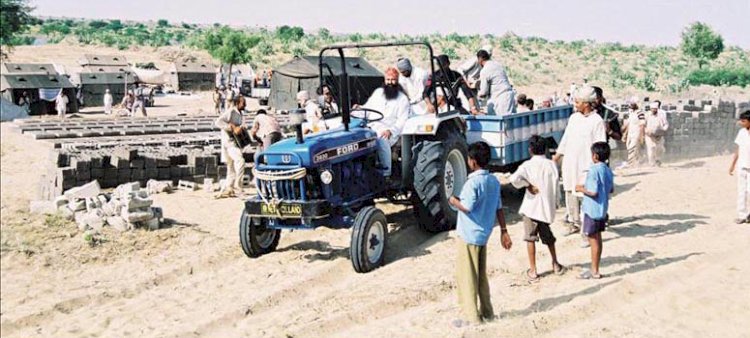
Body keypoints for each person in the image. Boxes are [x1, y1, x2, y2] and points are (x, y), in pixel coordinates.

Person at [448, 141, 512, 326]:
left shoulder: (472, 183)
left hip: (468, 235)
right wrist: (504, 231)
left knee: (467, 277)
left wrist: (453, 201)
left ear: (472, 161)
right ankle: (487, 312)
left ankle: (471, 317)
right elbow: (499, 207)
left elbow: (466, 207)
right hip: (484, 234)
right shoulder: (493, 180)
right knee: (481, 277)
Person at [552, 86, 606, 243]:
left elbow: (600, 146)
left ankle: (587, 230)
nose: (575, 104)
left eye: (577, 101)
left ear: (587, 104)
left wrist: (596, 167)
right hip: (570, 163)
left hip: (587, 166)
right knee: (570, 194)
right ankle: (574, 223)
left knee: (586, 198)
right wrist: (555, 158)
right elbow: (565, 140)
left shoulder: (597, 121)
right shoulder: (574, 118)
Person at [510, 135, 565, 282]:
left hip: (531, 208)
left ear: (530, 150)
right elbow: (556, 185)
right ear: (545, 149)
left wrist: (527, 185)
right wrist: (556, 202)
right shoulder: (551, 164)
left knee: (530, 239)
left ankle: (533, 270)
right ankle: (555, 263)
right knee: (549, 238)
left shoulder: (527, 165)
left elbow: (514, 179)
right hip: (546, 208)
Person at [357, 67, 411, 177]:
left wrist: (391, 130)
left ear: (397, 80)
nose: (390, 82)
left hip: (389, 131)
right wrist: (359, 109)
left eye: (393, 80)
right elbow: (367, 108)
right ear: (384, 80)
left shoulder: (402, 99)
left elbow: (402, 120)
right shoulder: (378, 93)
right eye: (388, 80)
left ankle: (386, 173)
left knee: (381, 139)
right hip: (371, 126)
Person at [575, 142, 614, 279]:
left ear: (595, 156)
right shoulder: (607, 170)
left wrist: (580, 188)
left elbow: (592, 192)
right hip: (602, 208)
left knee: (593, 239)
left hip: (592, 209)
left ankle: (594, 270)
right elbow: (611, 189)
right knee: (598, 238)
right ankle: (595, 268)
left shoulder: (593, 170)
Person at [214, 96, 246, 199]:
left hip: (234, 143)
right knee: (240, 161)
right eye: (243, 103)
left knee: (231, 167)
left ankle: (229, 188)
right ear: (237, 103)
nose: (245, 105)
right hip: (229, 143)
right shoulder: (231, 111)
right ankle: (238, 185)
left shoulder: (240, 114)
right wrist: (231, 127)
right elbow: (218, 122)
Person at [476, 50, 515, 116]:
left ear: (480, 59)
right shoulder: (498, 65)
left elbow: (483, 92)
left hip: (500, 98)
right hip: (509, 95)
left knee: (501, 123)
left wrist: (477, 95)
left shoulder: (485, 70)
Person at [729, 110, 750, 224]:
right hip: (742, 165)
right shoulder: (742, 133)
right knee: (741, 191)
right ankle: (742, 215)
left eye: (744, 121)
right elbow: (738, 150)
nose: (741, 122)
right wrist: (733, 165)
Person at [644, 102, 669, 166]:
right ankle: (651, 162)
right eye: (652, 109)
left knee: (660, 148)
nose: (654, 110)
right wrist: (646, 131)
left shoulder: (661, 115)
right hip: (649, 135)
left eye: (655, 109)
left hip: (659, 135)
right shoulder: (647, 115)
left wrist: (663, 130)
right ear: (650, 109)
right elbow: (643, 125)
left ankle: (657, 159)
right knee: (651, 148)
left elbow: (666, 124)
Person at [621, 103, 646, 167]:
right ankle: (638, 161)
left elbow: (642, 125)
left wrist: (642, 135)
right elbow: (628, 125)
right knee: (630, 147)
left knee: (632, 148)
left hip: (637, 133)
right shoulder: (631, 113)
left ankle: (631, 163)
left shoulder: (640, 113)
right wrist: (625, 134)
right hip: (630, 133)